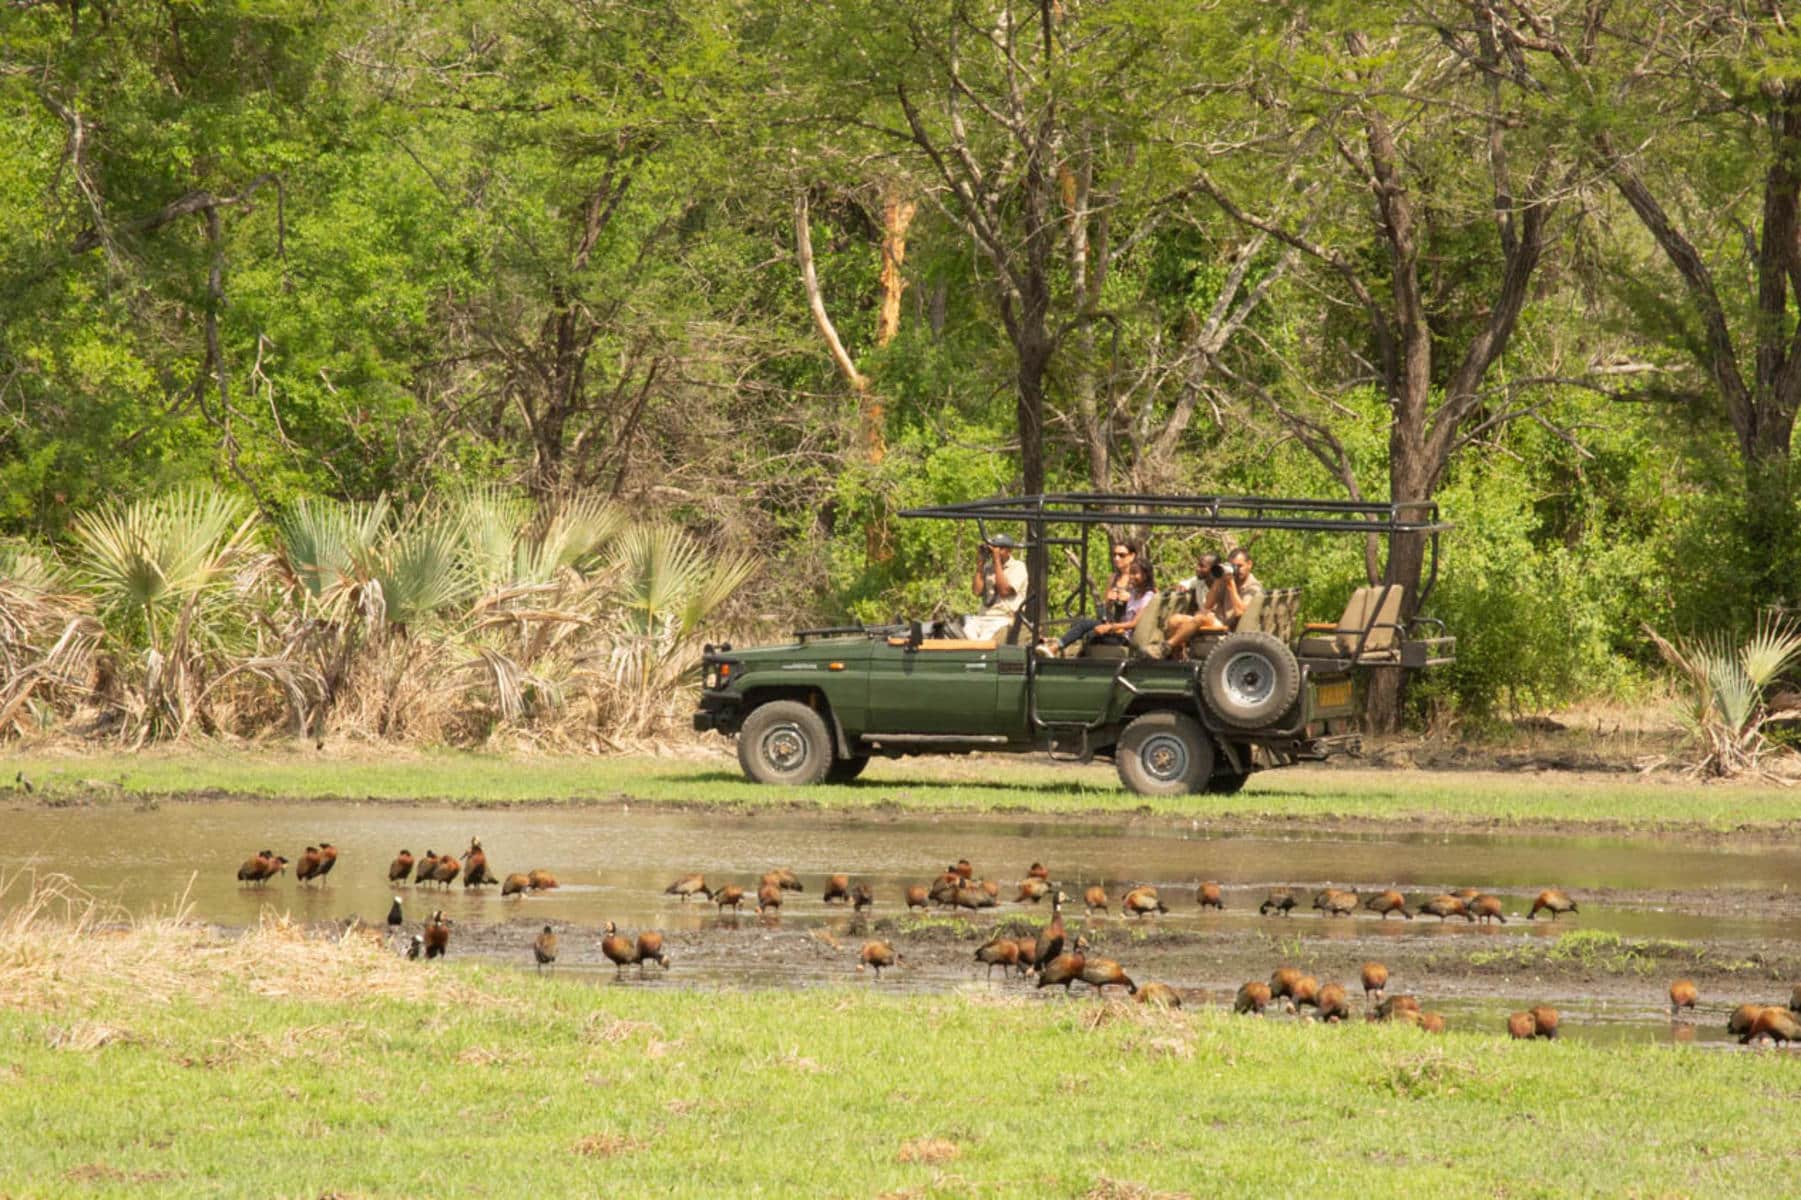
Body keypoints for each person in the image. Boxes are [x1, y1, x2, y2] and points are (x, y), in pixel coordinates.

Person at [1039, 559, 1157, 656]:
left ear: (1146, 575)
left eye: (1135, 573)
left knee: (1091, 633)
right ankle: (1054, 647)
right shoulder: (1134, 593)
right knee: (1082, 623)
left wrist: (1110, 627)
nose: (1131, 576)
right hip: (1119, 632)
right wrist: (1111, 601)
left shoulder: (1148, 596)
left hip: (1128, 639)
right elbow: (1110, 611)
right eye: (1130, 573)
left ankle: (1058, 649)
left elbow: (1133, 624)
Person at [1162, 546, 1263, 659]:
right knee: (1175, 620)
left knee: (1202, 617)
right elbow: (1208, 605)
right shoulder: (1226, 580)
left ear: (1249, 564)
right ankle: (1178, 657)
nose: (1237, 570)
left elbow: (1240, 612)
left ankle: (1167, 646)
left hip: (1232, 630)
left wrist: (1231, 585)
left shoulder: (1253, 586)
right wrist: (1218, 580)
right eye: (1233, 566)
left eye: (1240, 566)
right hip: (1218, 624)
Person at [957, 533, 1029, 642]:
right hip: (983, 617)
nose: (995, 551)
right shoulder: (988, 568)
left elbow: (1004, 591)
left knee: (983, 645)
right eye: (994, 548)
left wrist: (996, 561)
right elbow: (976, 591)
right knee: (957, 629)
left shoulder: (1018, 567)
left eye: (999, 548)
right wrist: (980, 564)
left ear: (1009, 551)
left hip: (1003, 619)